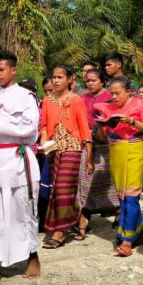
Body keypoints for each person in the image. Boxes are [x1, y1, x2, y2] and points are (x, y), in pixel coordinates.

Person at [0, 51, 42, 279]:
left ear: (13, 70)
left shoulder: (26, 96)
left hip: (17, 159)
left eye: (1, 70)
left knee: (24, 210)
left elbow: (29, 129)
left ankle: (32, 255)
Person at [97, 76, 143, 257]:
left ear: (127, 91)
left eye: (117, 93)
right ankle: (140, 232)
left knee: (131, 195)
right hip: (116, 150)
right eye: (111, 93)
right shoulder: (108, 108)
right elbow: (101, 135)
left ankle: (127, 240)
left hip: (135, 148)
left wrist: (130, 122)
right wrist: (101, 125)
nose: (114, 97)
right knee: (122, 195)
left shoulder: (138, 104)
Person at [39, 65, 92, 249]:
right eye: (54, 77)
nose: (56, 80)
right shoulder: (47, 101)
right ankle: (80, 218)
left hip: (73, 148)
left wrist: (90, 157)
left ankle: (60, 232)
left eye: (60, 77)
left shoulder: (76, 100)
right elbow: (44, 126)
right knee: (57, 191)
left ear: (70, 79)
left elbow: (84, 128)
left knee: (62, 190)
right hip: (53, 149)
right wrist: (44, 142)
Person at [76, 68, 117, 238]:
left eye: (93, 80)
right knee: (86, 177)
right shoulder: (82, 98)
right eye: (87, 81)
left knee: (111, 180)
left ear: (102, 81)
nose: (90, 83)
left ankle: (119, 212)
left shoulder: (109, 96)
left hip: (107, 143)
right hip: (87, 143)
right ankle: (84, 216)